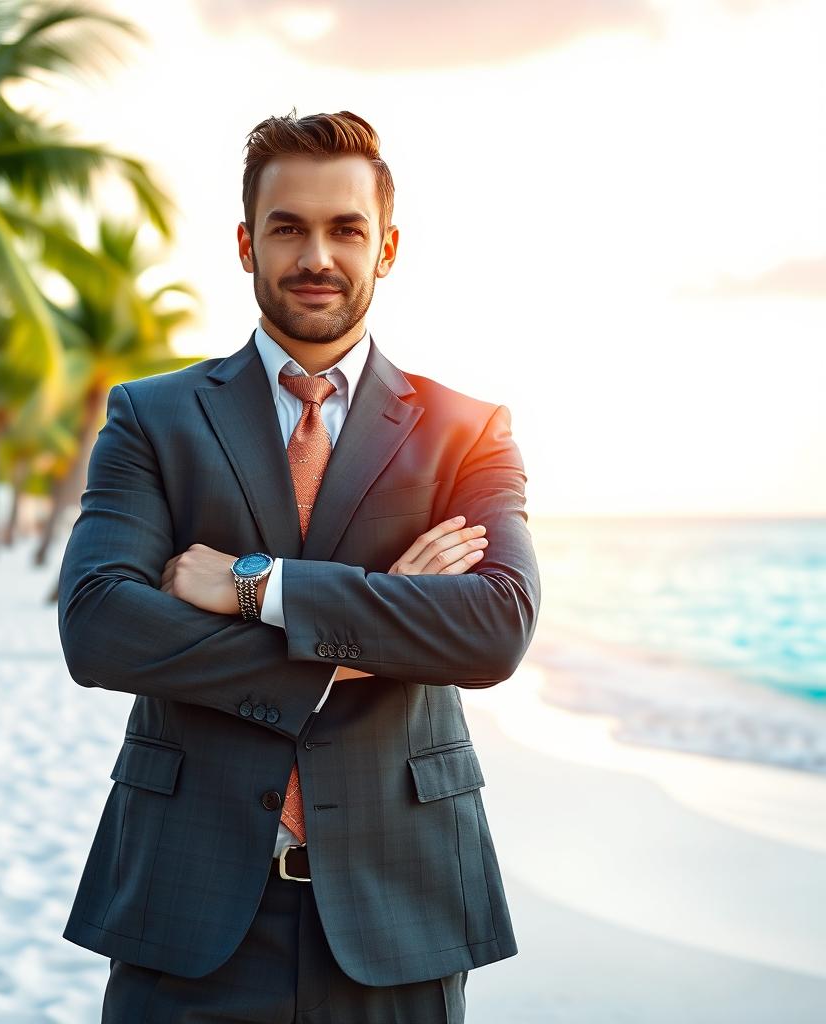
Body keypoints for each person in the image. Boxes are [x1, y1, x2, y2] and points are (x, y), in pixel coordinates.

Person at [57, 108, 541, 1023]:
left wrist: (257, 588)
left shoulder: (467, 431)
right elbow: (99, 627)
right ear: (246, 243)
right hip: (186, 904)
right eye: (289, 227)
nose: (317, 254)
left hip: (403, 905)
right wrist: (387, 625)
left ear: (386, 246)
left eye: (345, 228)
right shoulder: (150, 418)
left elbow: (495, 628)